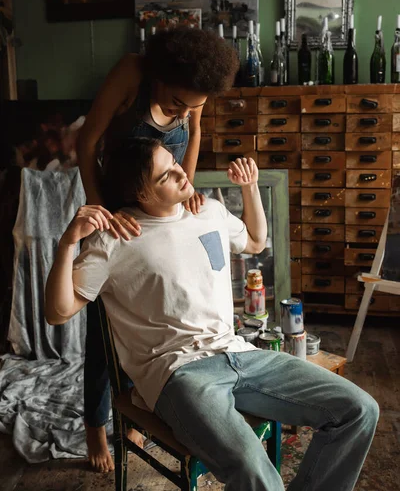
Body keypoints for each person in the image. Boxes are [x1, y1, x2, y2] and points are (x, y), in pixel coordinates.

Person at [46, 138, 379, 491]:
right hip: (180, 375)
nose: (180, 172)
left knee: (359, 410)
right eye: (166, 175)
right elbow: (57, 312)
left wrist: (249, 188)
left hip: (240, 354)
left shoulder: (208, 211)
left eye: (174, 163)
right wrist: (69, 242)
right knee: (254, 469)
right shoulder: (115, 238)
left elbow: (255, 241)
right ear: (141, 193)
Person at [76, 26, 239, 472]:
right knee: (104, 328)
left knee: (150, 317)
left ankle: (134, 402)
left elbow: (196, 135)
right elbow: (87, 142)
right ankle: (95, 423)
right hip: (120, 215)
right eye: (175, 104)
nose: (184, 113)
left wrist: (187, 192)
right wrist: (103, 214)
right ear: (159, 76)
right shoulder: (132, 71)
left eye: (193, 107)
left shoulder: (197, 95)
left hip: (164, 214)